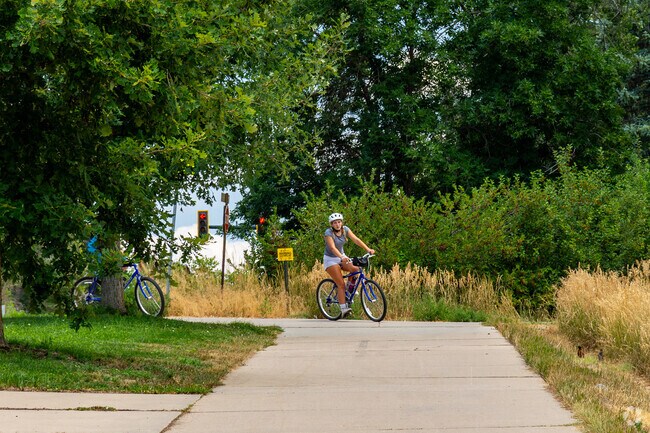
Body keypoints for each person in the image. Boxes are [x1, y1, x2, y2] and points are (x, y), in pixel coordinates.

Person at [323, 212, 375, 318]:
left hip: (342, 256)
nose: (337, 224)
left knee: (356, 269)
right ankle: (343, 309)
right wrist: (342, 257)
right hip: (331, 259)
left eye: (339, 222)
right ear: (331, 224)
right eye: (334, 223)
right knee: (340, 284)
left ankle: (349, 290)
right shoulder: (328, 233)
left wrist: (368, 249)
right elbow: (332, 248)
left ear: (342, 223)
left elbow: (356, 239)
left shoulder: (345, 229)